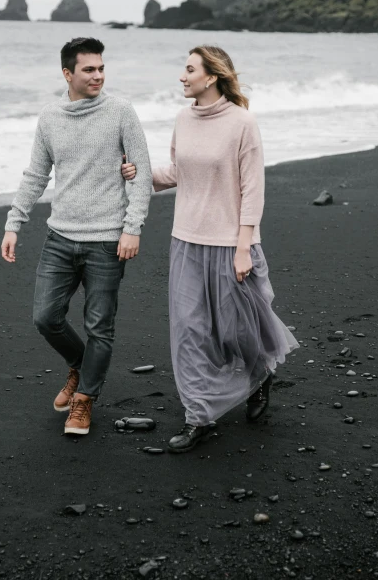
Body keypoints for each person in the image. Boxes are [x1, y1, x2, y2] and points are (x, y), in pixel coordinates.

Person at [122, 45, 298, 453]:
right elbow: (181, 172)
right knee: (190, 332)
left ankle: (259, 376)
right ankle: (198, 417)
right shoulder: (183, 119)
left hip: (231, 243)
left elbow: (253, 191)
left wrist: (242, 247)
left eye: (189, 70)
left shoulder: (242, 123)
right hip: (186, 240)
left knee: (239, 330)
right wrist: (140, 173)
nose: (182, 77)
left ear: (212, 76)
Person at [1, 37, 152, 437]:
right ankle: (83, 365)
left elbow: (142, 173)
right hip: (60, 238)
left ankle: (84, 400)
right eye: (89, 69)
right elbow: (36, 174)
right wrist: (14, 222)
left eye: (102, 68)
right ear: (67, 74)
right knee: (45, 318)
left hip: (107, 241)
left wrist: (132, 227)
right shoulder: (50, 117)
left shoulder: (121, 112)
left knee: (100, 326)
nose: (98, 75)